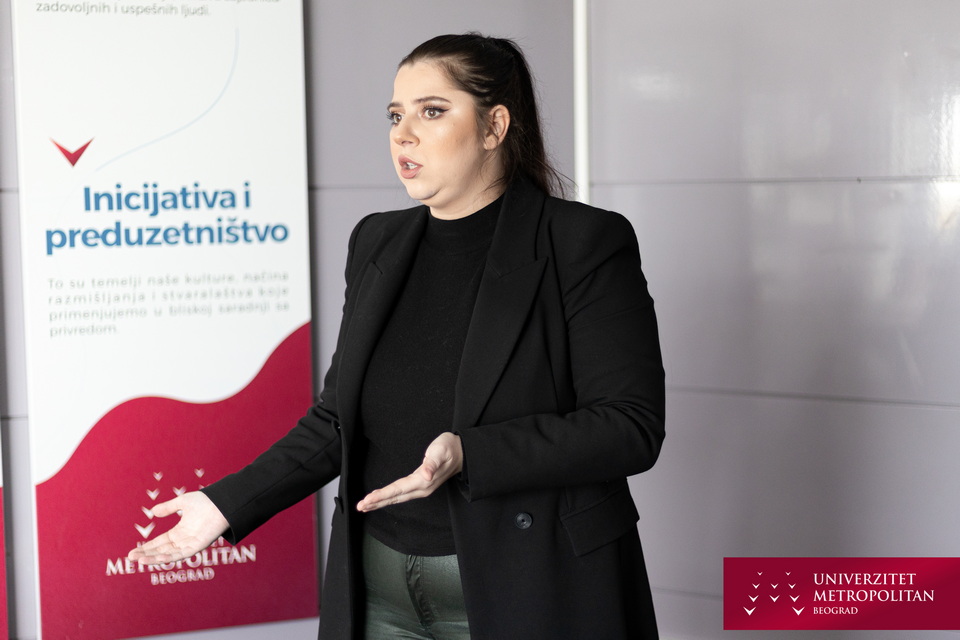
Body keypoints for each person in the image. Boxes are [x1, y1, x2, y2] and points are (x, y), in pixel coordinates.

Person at [129, 33, 665, 640]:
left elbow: (630, 427)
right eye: (395, 115)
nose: (403, 135)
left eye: (431, 112)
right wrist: (225, 503)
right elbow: (336, 420)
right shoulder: (376, 240)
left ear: (494, 126)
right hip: (379, 595)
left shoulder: (582, 242)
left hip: (528, 586)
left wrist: (469, 453)